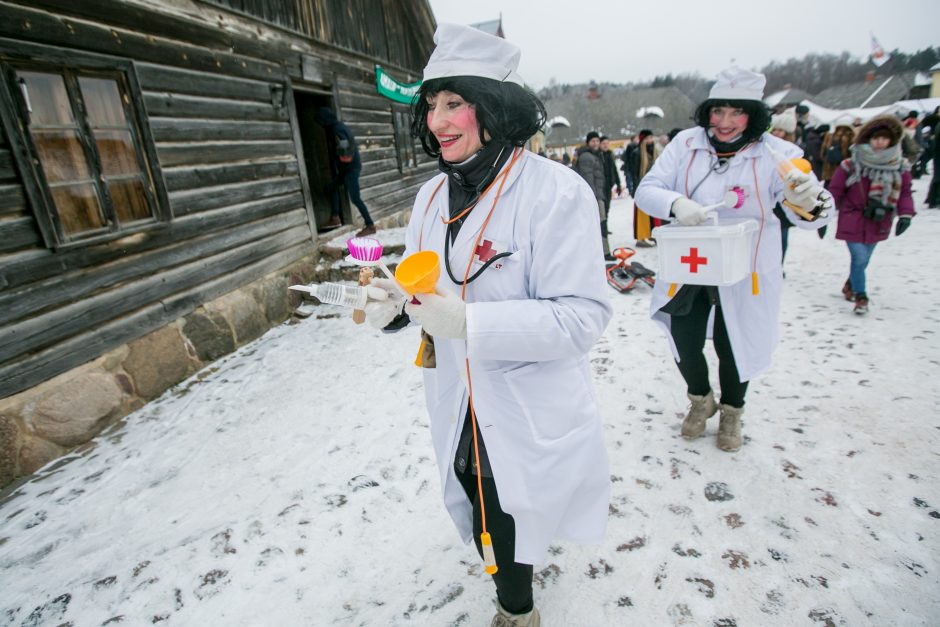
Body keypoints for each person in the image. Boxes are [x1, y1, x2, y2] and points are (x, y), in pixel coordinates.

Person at [361, 23, 612, 627]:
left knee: (504, 506)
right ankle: (507, 582)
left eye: (454, 104)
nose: (436, 120)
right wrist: (396, 304)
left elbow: (583, 316)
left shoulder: (557, 193)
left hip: (521, 390)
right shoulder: (429, 198)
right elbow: (426, 287)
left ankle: (516, 610)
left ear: (493, 109)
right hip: (455, 388)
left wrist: (470, 322)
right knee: (472, 491)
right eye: (430, 105)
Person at [634, 66, 832, 452]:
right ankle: (700, 398)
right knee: (684, 338)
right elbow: (647, 190)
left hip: (747, 266)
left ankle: (731, 410)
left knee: (734, 341)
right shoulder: (686, 145)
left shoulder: (779, 154)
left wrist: (806, 200)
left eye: (736, 112)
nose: (724, 122)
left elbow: (813, 216)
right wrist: (677, 202)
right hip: (692, 260)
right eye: (718, 111)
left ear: (753, 115)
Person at [829, 115, 915, 314]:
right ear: (868, 139)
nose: (880, 142)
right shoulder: (851, 164)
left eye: (884, 139)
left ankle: (850, 284)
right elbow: (835, 190)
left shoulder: (899, 166)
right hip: (853, 216)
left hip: (879, 219)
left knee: (864, 259)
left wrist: (906, 215)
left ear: (891, 141)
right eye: (876, 138)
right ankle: (861, 297)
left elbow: (905, 192)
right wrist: (822, 214)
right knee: (859, 258)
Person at [314, 106, 377, 237]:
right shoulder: (338, 126)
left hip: (351, 169)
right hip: (346, 169)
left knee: (355, 198)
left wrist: (343, 156)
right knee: (332, 187)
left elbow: (345, 144)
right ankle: (335, 217)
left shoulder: (336, 129)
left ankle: (370, 225)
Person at [573, 131, 614, 259]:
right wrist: (595, 198)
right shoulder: (587, 157)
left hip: (599, 194)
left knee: (599, 224)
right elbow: (588, 179)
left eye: (597, 141)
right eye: (593, 141)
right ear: (588, 143)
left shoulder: (594, 155)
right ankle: (604, 253)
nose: (596, 143)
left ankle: (601, 251)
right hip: (595, 197)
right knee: (600, 224)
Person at [631, 129, 663, 247]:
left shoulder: (654, 152)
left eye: (651, 138)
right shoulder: (637, 153)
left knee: (653, 212)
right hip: (642, 187)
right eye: (647, 138)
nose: (650, 141)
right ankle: (641, 237)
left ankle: (652, 234)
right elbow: (634, 173)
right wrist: (636, 189)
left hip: (654, 187)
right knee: (642, 214)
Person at [600, 135, 622, 222]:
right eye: (603, 143)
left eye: (607, 143)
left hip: (609, 184)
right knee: (602, 207)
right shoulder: (598, 155)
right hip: (601, 185)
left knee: (607, 206)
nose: (605, 145)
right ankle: (603, 229)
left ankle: (605, 226)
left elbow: (614, 169)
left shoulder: (610, 154)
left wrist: (618, 183)